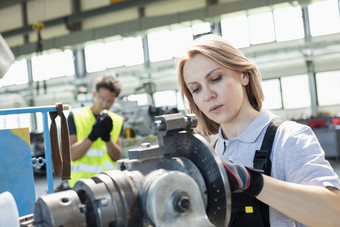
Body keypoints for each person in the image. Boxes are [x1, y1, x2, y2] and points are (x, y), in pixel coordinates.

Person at [177, 34, 340, 227]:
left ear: (243, 75)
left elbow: (333, 215)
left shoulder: (288, 138)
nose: (208, 95)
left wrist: (252, 182)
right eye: (196, 89)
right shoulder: (212, 154)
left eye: (215, 78)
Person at [67, 75, 124, 188]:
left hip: (108, 183)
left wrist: (107, 138)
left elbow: (116, 156)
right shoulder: (76, 116)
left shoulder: (117, 120)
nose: (104, 104)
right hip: (82, 184)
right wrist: (92, 136)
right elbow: (72, 155)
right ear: (94, 94)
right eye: (101, 99)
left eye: (110, 101)